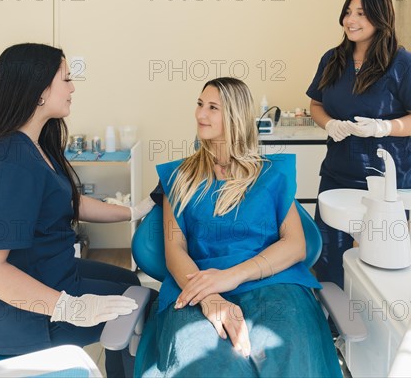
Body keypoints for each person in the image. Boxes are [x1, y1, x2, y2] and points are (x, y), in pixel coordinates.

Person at [0, 43, 156, 378]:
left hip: (52, 273)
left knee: (128, 281)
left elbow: (69, 202)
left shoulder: (34, 147)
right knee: (146, 305)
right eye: (66, 79)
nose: (73, 87)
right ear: (40, 91)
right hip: (29, 319)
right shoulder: (8, 166)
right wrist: (71, 308)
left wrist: (132, 211)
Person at [143, 77, 341, 377]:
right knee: (201, 359)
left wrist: (231, 277)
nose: (200, 114)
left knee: (288, 348)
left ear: (235, 116)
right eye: (199, 104)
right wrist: (210, 297)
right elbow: (175, 248)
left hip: (273, 282)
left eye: (212, 107)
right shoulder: (179, 176)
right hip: (198, 283)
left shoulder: (271, 173)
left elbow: (295, 245)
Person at [307, 0, 411, 288]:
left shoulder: (406, 66)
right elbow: (316, 104)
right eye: (348, 12)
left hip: (387, 180)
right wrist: (330, 124)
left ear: (380, 17)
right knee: (327, 256)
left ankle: (376, 326)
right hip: (338, 174)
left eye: (360, 13)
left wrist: (384, 128)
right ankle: (335, 327)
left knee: (385, 262)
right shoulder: (333, 59)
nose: (350, 19)